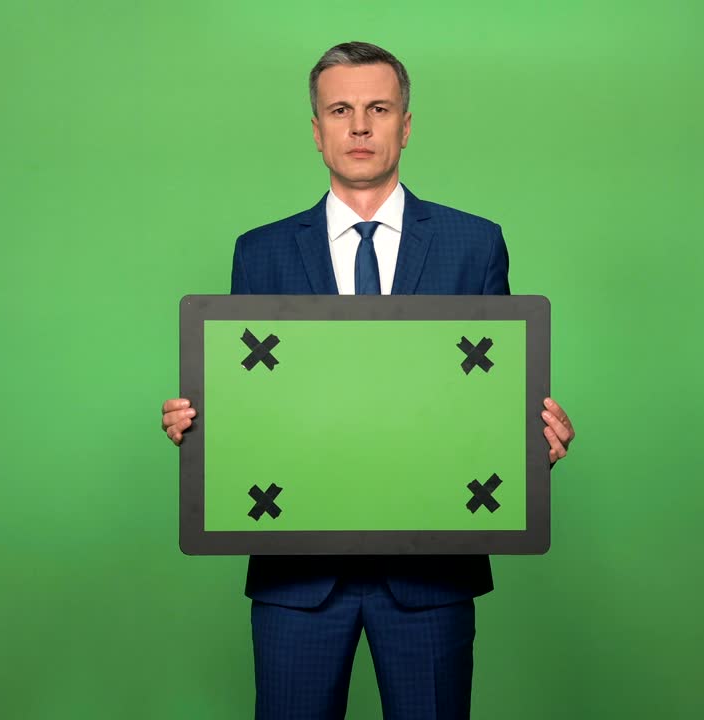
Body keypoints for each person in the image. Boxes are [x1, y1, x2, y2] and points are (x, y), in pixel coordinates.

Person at [159, 41, 576, 720]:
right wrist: (202, 427)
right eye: (341, 110)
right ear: (317, 129)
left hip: (430, 578)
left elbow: (494, 395)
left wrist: (534, 440)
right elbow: (252, 401)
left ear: (405, 125)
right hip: (297, 581)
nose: (359, 126)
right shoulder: (259, 252)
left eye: (378, 109)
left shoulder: (473, 246)